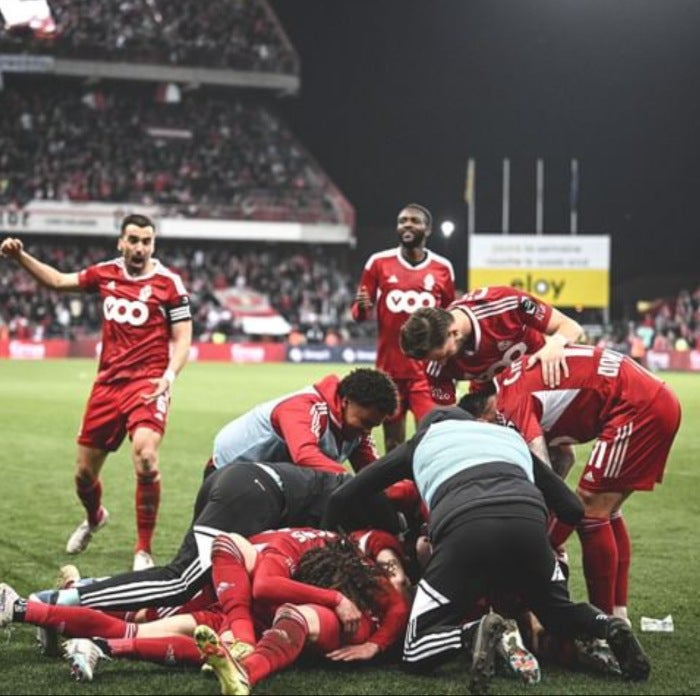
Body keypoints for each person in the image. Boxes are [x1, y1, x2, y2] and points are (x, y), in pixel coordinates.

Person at [322, 406, 651, 693]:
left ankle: (473, 632)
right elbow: (572, 509)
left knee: (415, 649)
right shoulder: (509, 438)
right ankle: (606, 626)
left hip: (464, 530)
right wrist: (537, 545)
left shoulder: (422, 442)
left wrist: (325, 541)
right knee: (559, 614)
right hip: (528, 525)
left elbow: (343, 497)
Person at [0, 215, 192, 571]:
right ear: (120, 242)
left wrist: (169, 375)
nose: (139, 248)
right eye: (133, 240)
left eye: (146, 241)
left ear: (153, 244)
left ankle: (143, 551)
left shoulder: (169, 283)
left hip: (147, 384)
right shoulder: (105, 273)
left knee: (146, 455)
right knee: (84, 476)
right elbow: (58, 282)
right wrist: (20, 258)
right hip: (107, 386)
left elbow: (183, 336)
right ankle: (94, 518)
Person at [458, 344, 682, 622]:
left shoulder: (507, 406)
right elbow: (565, 455)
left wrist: (543, 538)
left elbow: (542, 475)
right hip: (649, 397)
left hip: (637, 407)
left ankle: (603, 626)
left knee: (589, 511)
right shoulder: (511, 383)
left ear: (482, 419)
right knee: (608, 511)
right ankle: (617, 614)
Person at [21, 460, 401, 616]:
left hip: (243, 483)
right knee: (180, 580)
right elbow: (337, 501)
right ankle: (55, 603)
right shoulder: (382, 515)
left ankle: (83, 591)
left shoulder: (368, 495)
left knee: (197, 581)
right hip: (253, 493)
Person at [351, 203, 455, 452]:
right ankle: (397, 491)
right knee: (393, 443)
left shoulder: (442, 268)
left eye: (414, 221)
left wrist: (451, 365)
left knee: (430, 440)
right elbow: (359, 314)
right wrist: (363, 307)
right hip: (390, 373)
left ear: (427, 229)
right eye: (402, 220)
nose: (407, 224)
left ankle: (426, 490)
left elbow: (451, 319)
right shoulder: (378, 263)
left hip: (427, 373)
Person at [398, 286, 583, 405]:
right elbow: (448, 415)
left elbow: (570, 327)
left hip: (537, 384)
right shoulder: (434, 363)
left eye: (442, 356)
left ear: (454, 332)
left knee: (561, 455)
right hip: (489, 402)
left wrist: (555, 344)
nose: (440, 363)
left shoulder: (506, 304)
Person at [210, 368, 398, 475]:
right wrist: (347, 479)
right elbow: (305, 454)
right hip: (226, 471)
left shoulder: (357, 429)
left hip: (267, 476)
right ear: (346, 401)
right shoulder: (303, 407)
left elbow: (374, 473)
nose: (366, 431)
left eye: (373, 426)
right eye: (365, 422)